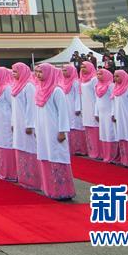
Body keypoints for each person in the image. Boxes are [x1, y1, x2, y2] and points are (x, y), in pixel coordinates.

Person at [33, 64, 75, 200]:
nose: (38, 74)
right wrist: (35, 127)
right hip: (42, 129)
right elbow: (37, 111)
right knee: (45, 155)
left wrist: (62, 131)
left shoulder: (57, 90)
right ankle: (49, 188)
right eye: (37, 72)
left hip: (54, 129)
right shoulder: (38, 89)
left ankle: (62, 191)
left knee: (57, 155)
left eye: (41, 72)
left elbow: (63, 112)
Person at [10, 62, 39, 191]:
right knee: (20, 147)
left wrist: (29, 124)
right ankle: (23, 178)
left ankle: (33, 179)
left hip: (26, 124)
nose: (13, 73)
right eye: (12, 71)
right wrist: (12, 122)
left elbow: (31, 107)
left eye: (15, 71)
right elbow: (14, 108)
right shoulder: (16, 86)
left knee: (29, 148)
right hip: (17, 122)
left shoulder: (29, 86)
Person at [59, 63, 87, 156]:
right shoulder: (61, 81)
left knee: (75, 126)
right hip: (65, 107)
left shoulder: (75, 82)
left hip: (73, 107)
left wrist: (78, 108)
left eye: (65, 70)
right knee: (68, 126)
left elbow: (78, 95)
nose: (63, 72)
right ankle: (70, 148)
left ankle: (79, 149)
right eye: (63, 70)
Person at [93, 68, 120, 164]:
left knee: (110, 133)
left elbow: (113, 100)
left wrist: (113, 113)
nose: (98, 76)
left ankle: (113, 156)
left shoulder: (111, 85)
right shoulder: (97, 86)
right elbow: (96, 100)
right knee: (104, 134)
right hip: (101, 114)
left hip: (109, 113)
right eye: (97, 74)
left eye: (101, 74)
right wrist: (96, 113)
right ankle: (106, 155)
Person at [79, 61, 100, 159]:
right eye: (81, 67)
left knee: (95, 129)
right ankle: (91, 151)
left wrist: (96, 110)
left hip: (92, 106)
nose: (82, 68)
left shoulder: (94, 79)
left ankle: (98, 152)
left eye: (84, 67)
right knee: (88, 129)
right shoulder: (82, 79)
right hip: (85, 107)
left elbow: (97, 95)